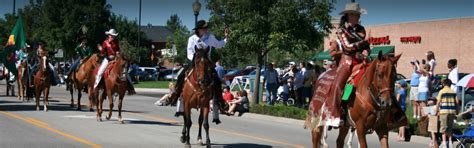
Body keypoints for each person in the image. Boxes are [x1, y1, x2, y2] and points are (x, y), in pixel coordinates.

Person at [168, 20, 228, 124]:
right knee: (181, 75)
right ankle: (176, 95)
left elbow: (219, 44)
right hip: (194, 62)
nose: (206, 30)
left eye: (206, 28)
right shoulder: (192, 39)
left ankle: (220, 101)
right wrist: (196, 60)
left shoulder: (210, 37)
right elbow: (189, 52)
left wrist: (226, 38)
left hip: (206, 62)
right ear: (199, 29)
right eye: (204, 28)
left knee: (216, 79)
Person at [329, 2, 370, 125]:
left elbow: (367, 46)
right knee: (339, 85)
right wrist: (363, 44)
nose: (358, 17)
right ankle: (337, 113)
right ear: (349, 15)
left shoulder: (362, 29)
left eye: (358, 15)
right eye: (356, 15)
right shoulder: (342, 30)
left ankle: (385, 114)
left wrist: (367, 51)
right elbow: (347, 47)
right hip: (347, 61)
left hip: (362, 61)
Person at [94, 29, 136, 95]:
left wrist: (118, 53)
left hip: (115, 59)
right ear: (109, 35)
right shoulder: (105, 42)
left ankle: (131, 88)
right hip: (107, 59)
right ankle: (96, 86)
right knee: (100, 72)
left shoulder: (116, 42)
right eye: (112, 35)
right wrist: (105, 53)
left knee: (125, 73)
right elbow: (102, 52)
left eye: (114, 36)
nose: (113, 37)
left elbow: (118, 50)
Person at [435, 79, 458, 148]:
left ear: (443, 84)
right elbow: (457, 103)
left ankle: (444, 143)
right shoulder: (453, 92)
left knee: (443, 127)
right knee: (450, 128)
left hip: (444, 111)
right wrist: (457, 111)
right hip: (452, 111)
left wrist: (436, 110)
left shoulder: (442, 91)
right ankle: (450, 142)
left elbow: (438, 102)